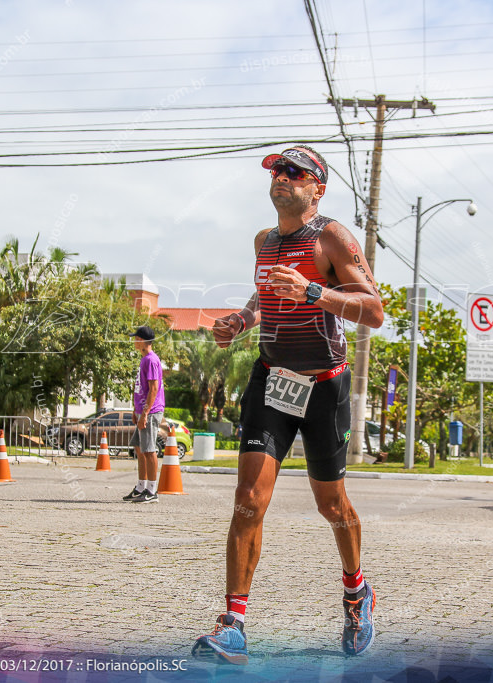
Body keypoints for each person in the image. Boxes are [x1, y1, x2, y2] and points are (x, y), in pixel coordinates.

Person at [191, 145, 384, 665]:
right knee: (249, 499)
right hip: (272, 380)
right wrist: (241, 321)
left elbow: (374, 310)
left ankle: (356, 591)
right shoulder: (264, 241)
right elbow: (265, 298)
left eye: (295, 173)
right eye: (277, 170)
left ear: (316, 188)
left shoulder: (332, 237)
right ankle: (233, 623)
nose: (281, 178)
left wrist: (315, 292)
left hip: (324, 386)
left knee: (332, 507)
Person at [122, 325, 165, 504]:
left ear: (141, 340)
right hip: (142, 411)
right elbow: (142, 388)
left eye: (135, 338)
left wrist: (145, 412)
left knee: (148, 450)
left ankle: (152, 490)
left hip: (151, 411)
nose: (134, 341)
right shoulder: (143, 359)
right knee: (139, 449)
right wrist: (136, 410)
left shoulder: (151, 360)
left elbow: (154, 388)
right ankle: (141, 487)